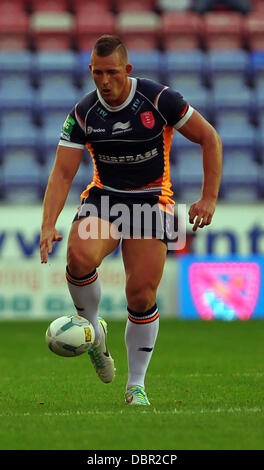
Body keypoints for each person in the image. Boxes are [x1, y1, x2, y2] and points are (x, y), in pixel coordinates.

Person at [40, 35, 222, 406]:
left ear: (127, 70)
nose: (104, 82)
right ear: (90, 71)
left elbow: (209, 138)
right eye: (96, 73)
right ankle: (93, 330)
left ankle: (135, 385)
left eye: (111, 73)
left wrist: (209, 197)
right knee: (78, 258)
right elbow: (61, 174)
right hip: (105, 199)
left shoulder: (160, 100)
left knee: (141, 294)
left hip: (153, 202)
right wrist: (48, 224)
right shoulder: (83, 113)